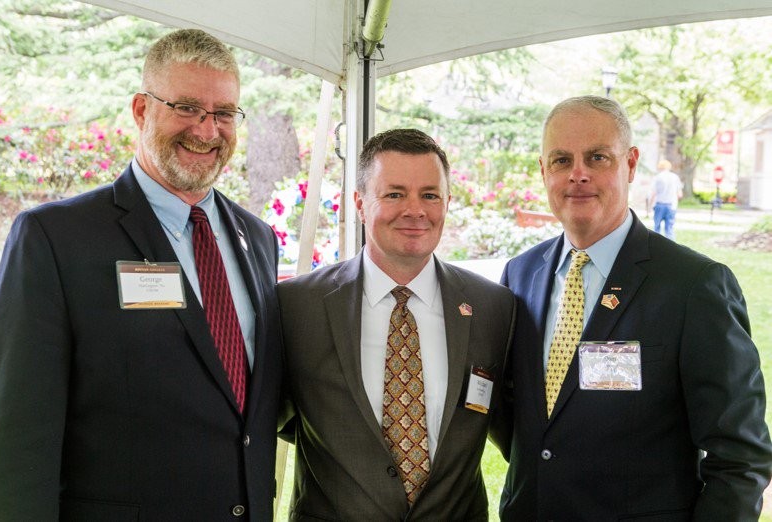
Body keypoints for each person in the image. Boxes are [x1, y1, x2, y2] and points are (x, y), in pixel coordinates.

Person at [0, 29, 282, 520]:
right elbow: (17, 435)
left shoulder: (259, 239)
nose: (207, 131)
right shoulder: (55, 238)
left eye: (224, 114)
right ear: (142, 111)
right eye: (187, 108)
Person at [493, 95, 772, 520]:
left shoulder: (694, 286)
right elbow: (518, 417)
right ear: (543, 170)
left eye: (597, 157)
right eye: (562, 160)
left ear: (631, 163)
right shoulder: (520, 274)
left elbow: (740, 457)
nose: (578, 175)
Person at [277, 128, 516, 521]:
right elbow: (281, 420)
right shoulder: (298, 306)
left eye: (429, 195)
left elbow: (508, 427)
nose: (415, 210)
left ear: (447, 202)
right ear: (359, 203)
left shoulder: (494, 307)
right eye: (394, 194)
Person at [650, 158, 683, 239]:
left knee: (656, 228)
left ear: (660, 167)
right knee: (669, 229)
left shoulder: (657, 177)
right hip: (671, 205)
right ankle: (671, 249)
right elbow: (680, 195)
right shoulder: (675, 177)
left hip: (659, 205)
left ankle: (656, 247)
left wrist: (650, 205)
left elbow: (654, 193)